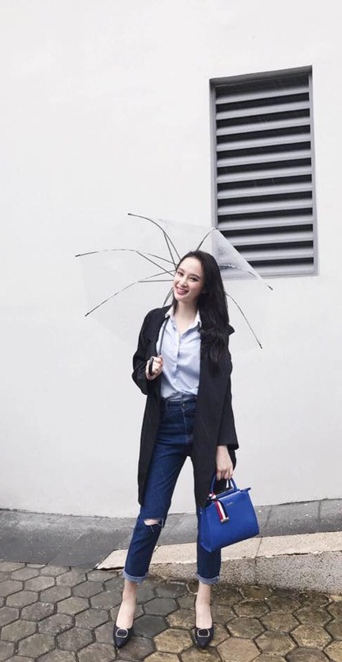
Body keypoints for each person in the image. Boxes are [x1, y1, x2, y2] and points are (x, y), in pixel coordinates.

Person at [113, 250, 238, 650]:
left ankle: (203, 601)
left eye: (193, 278)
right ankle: (128, 598)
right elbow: (138, 368)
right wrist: (149, 371)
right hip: (165, 426)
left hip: (203, 429)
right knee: (150, 517)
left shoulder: (214, 331)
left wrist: (223, 446)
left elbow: (222, 392)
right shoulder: (155, 321)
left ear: (204, 286)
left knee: (208, 520)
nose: (182, 282)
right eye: (180, 273)